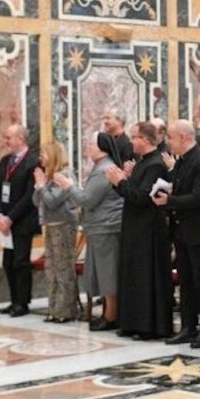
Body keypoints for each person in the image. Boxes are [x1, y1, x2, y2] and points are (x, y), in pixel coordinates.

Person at [106, 122, 174, 340]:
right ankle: (132, 323)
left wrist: (119, 182)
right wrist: (125, 179)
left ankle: (148, 326)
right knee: (133, 276)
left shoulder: (155, 165)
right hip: (136, 227)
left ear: (145, 140)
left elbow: (143, 198)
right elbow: (134, 191)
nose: (131, 141)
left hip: (148, 230)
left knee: (145, 277)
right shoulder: (144, 162)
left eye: (134, 137)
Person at [156, 120, 200, 348]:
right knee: (185, 281)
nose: (169, 143)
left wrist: (170, 200)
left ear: (183, 137)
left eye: (171, 138)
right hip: (181, 229)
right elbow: (181, 188)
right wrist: (168, 191)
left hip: (199, 230)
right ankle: (187, 327)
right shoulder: (181, 161)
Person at [55, 132, 124, 331]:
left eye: (91, 144)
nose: (88, 148)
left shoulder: (104, 168)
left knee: (108, 273)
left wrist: (69, 187)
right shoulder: (102, 166)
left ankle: (111, 315)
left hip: (106, 227)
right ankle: (108, 313)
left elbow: (87, 200)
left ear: (101, 147)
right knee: (103, 273)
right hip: (101, 227)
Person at [0, 124, 40, 317]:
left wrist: (11, 218)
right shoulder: (5, 161)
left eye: (9, 138)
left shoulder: (33, 161)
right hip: (5, 223)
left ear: (21, 139)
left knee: (21, 261)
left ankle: (23, 302)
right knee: (8, 261)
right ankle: (13, 300)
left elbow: (30, 196)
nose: (6, 141)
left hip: (22, 221)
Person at [32, 142, 79, 322]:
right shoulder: (48, 176)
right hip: (51, 225)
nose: (40, 157)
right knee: (50, 267)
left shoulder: (65, 175)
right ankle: (53, 309)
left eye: (44, 153)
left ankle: (65, 311)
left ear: (53, 155)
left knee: (63, 268)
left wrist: (42, 186)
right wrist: (39, 186)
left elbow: (53, 201)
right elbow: (37, 201)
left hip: (64, 225)